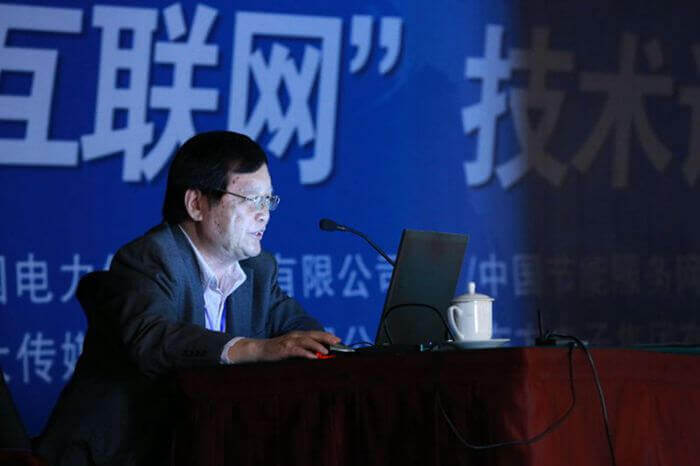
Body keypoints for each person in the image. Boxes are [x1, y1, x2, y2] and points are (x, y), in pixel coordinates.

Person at [35, 131, 340, 466]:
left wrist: (327, 347)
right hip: (118, 454)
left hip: (199, 446)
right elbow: (152, 338)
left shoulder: (257, 268)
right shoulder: (150, 257)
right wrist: (255, 349)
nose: (264, 214)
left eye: (268, 200)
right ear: (196, 204)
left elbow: (297, 327)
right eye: (252, 199)